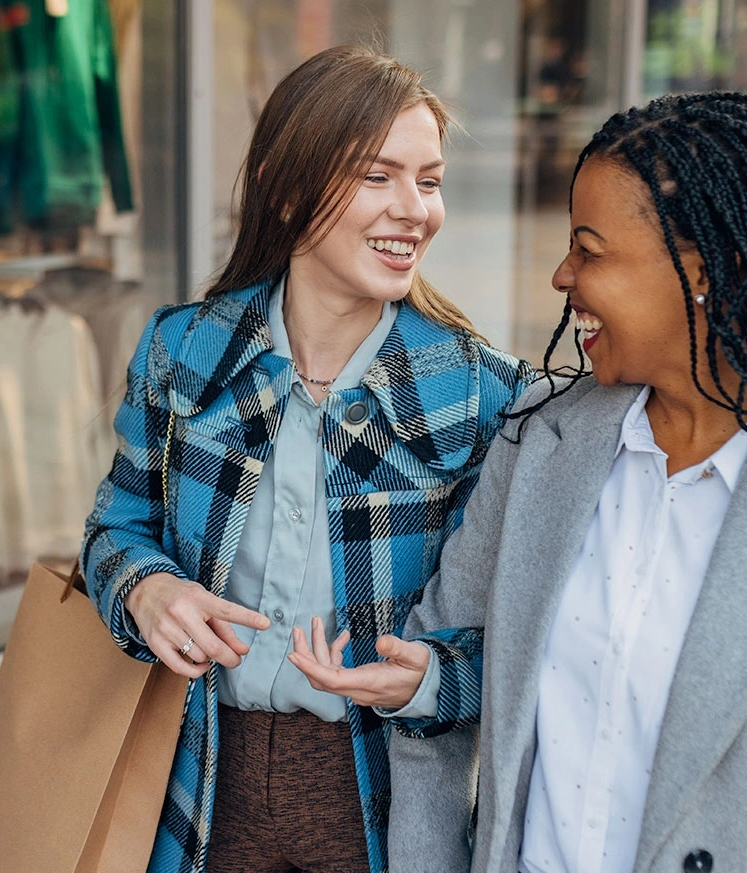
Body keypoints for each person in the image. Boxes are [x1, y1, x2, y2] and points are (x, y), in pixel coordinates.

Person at [288, 91, 747, 873]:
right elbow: (439, 680)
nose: (562, 274)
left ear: (706, 272)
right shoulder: (539, 440)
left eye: (589, 250)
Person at [79, 45, 530, 873]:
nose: (414, 210)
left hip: (386, 794)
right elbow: (115, 526)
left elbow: (522, 640)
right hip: (195, 773)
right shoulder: (181, 351)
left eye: (428, 181)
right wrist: (147, 587)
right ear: (287, 190)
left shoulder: (486, 394)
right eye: (377, 176)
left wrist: (429, 681)